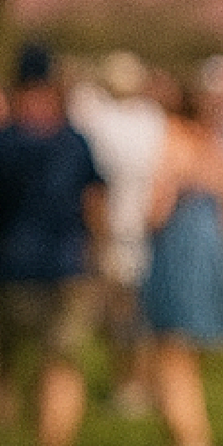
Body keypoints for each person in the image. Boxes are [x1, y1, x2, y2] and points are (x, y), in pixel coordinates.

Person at [0, 43, 107, 446]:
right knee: (61, 370)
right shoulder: (74, 141)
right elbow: (95, 207)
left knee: (3, 368)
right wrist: (100, 259)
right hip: (66, 273)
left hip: (9, 269)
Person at [141, 69, 223, 446]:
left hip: (178, 251)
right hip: (215, 253)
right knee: (186, 358)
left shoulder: (174, 143)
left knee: (171, 356)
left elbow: (157, 209)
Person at [68, 49, 169, 417]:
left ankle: (127, 383)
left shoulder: (96, 120)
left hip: (112, 225)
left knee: (118, 314)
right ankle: (140, 382)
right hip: (149, 223)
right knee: (140, 312)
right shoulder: (153, 119)